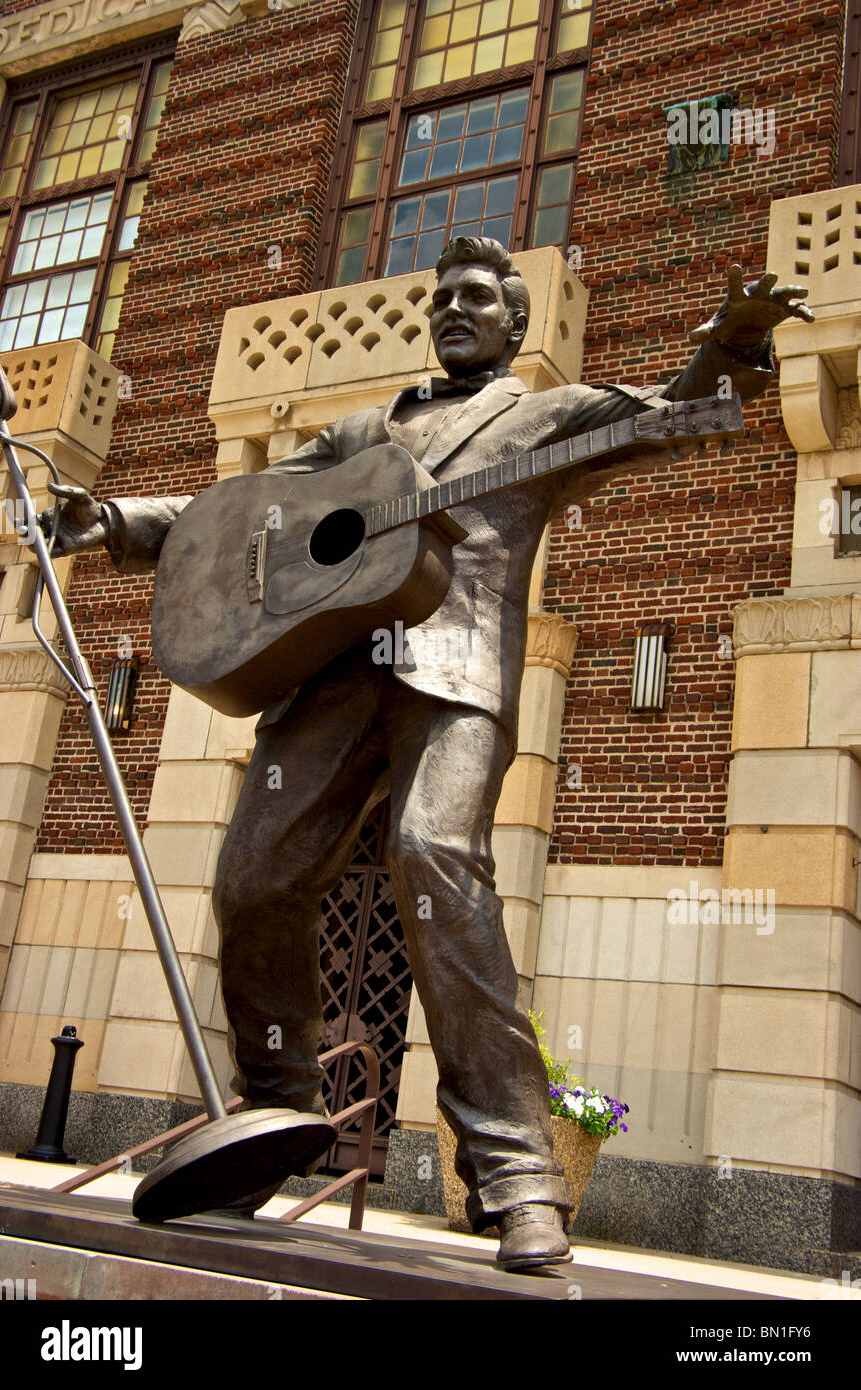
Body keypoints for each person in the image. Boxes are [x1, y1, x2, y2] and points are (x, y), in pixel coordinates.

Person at [42, 239, 811, 1271]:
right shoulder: (364, 429)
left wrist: (733, 339)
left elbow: (676, 412)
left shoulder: (544, 415)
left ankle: (517, 1171)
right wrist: (124, 520)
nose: (454, 308)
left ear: (513, 323)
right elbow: (246, 512)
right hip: (332, 671)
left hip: (453, 678)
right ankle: (275, 1107)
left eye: (478, 297)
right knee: (253, 877)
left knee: (434, 854)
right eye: (441, 294)